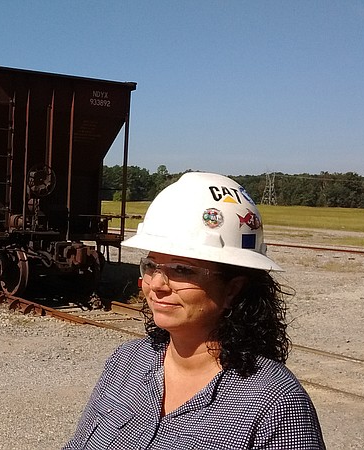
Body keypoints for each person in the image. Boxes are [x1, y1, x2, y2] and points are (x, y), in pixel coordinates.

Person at [64, 172, 325, 449]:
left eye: (181, 270)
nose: (157, 285)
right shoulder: (126, 363)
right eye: (151, 265)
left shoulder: (274, 404)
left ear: (232, 289)